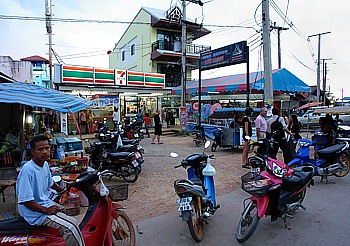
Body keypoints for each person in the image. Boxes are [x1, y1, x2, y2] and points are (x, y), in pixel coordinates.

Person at [16, 135, 85, 246]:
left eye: (47, 148)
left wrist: (62, 189)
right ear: (33, 152)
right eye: (40, 149)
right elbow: (25, 200)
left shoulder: (45, 165)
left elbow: (50, 182)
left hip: (44, 204)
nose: (45, 152)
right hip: (35, 212)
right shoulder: (28, 170)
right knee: (71, 227)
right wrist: (46, 210)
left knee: (71, 218)